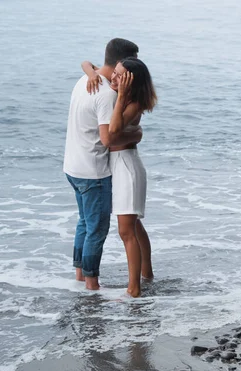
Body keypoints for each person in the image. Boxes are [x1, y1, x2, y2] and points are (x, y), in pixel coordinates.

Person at [63, 38, 141, 291]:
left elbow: (86, 63)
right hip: (92, 170)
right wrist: (137, 135)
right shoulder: (107, 93)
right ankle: (91, 284)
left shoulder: (86, 79)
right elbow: (108, 139)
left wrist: (87, 69)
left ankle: (79, 275)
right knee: (96, 229)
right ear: (121, 63)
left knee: (84, 223)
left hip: (72, 165)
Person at [81, 57, 157, 297]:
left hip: (127, 167)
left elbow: (112, 132)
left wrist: (122, 96)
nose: (112, 78)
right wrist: (92, 74)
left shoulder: (134, 102)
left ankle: (134, 289)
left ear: (130, 81)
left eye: (119, 75)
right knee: (134, 225)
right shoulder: (117, 90)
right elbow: (87, 63)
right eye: (114, 72)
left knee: (126, 231)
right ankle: (147, 274)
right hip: (121, 165)